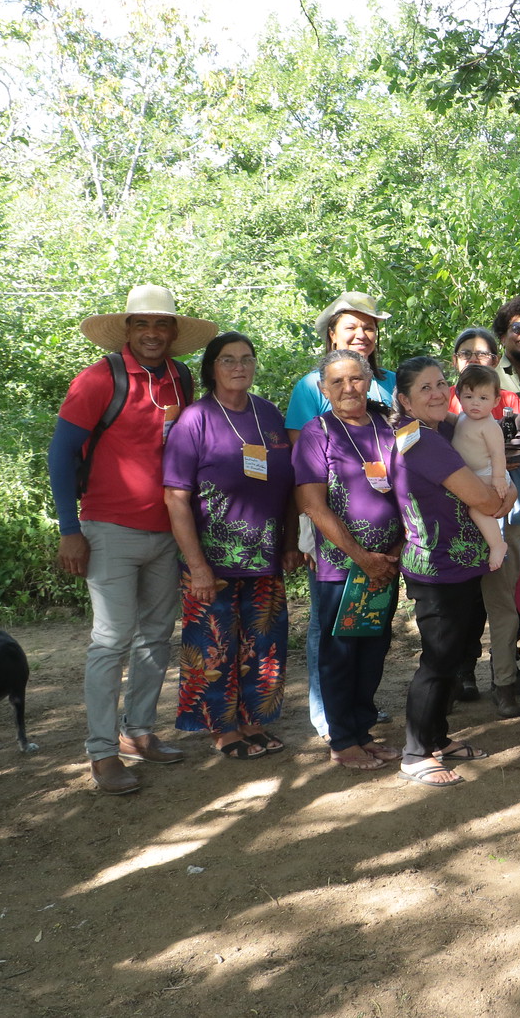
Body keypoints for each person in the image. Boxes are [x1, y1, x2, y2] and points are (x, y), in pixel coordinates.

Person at [49, 284, 217, 793]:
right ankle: (101, 753)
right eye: (142, 324)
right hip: (108, 529)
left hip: (167, 532)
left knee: (153, 638)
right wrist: (69, 531)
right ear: (127, 329)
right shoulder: (98, 379)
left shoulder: (180, 378)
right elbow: (60, 456)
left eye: (161, 324)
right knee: (110, 641)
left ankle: (139, 732)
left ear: (172, 332)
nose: (152, 333)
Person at [165, 332, 299, 760]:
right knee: (214, 646)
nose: (239, 367)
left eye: (246, 358)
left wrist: (292, 542)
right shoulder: (196, 420)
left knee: (264, 646)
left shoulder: (268, 414)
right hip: (213, 563)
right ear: (212, 368)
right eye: (228, 360)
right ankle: (222, 729)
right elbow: (176, 497)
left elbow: (291, 485)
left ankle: (254, 721)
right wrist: (196, 566)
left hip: (265, 557)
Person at [388, 356, 512, 786]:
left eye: (442, 383)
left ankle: (438, 737)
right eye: (425, 388)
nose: (439, 392)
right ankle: (416, 751)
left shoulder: (433, 432)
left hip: (457, 563)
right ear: (404, 399)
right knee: (438, 660)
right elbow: (486, 500)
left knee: (455, 653)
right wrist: (505, 495)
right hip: (437, 568)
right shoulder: (422, 440)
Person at [284, 291, 395, 743]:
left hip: (387, 559)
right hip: (339, 560)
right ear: (324, 389)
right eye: (338, 382)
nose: (349, 388)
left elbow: (406, 490)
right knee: (337, 646)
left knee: (374, 645)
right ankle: (341, 737)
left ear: (369, 382)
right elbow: (311, 501)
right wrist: (360, 556)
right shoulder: (316, 429)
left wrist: (394, 551)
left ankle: (362, 729)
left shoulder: (386, 424)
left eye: (357, 380)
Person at [448, 327, 520, 715]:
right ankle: (451, 679)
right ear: (455, 360)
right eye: (466, 352)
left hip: (504, 512)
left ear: (496, 359)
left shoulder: (511, 399)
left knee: (502, 603)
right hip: (451, 523)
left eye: (483, 353)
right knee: (454, 610)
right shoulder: (440, 400)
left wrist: (504, 478)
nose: (474, 358)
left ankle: (503, 681)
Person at [284, 291, 394, 439]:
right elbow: (302, 447)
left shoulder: (393, 381)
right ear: (332, 335)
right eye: (350, 328)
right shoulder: (309, 386)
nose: (361, 335)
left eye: (368, 328)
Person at [450, 365, 510, 570]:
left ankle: (497, 544)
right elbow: (453, 421)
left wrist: (499, 478)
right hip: (473, 473)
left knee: (477, 509)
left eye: (483, 398)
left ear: (496, 401)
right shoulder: (462, 417)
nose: (475, 403)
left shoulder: (490, 426)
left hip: (489, 473)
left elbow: (498, 454)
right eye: (469, 396)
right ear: (458, 396)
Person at [449, 328, 520, 418]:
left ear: (495, 361)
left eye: (482, 354)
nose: (473, 360)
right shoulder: (444, 397)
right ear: (455, 360)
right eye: (465, 354)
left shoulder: (509, 400)